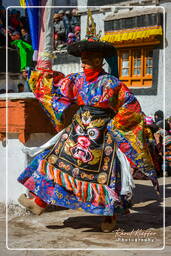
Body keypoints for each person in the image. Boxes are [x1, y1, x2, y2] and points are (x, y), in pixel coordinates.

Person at [17, 13, 159, 233]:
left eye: (87, 59)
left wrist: (115, 125)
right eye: (81, 59)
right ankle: (39, 203)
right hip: (76, 132)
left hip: (102, 135)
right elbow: (57, 90)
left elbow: (130, 107)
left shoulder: (112, 83)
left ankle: (111, 217)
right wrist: (41, 75)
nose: (83, 63)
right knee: (53, 163)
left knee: (108, 177)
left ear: (98, 60)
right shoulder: (76, 80)